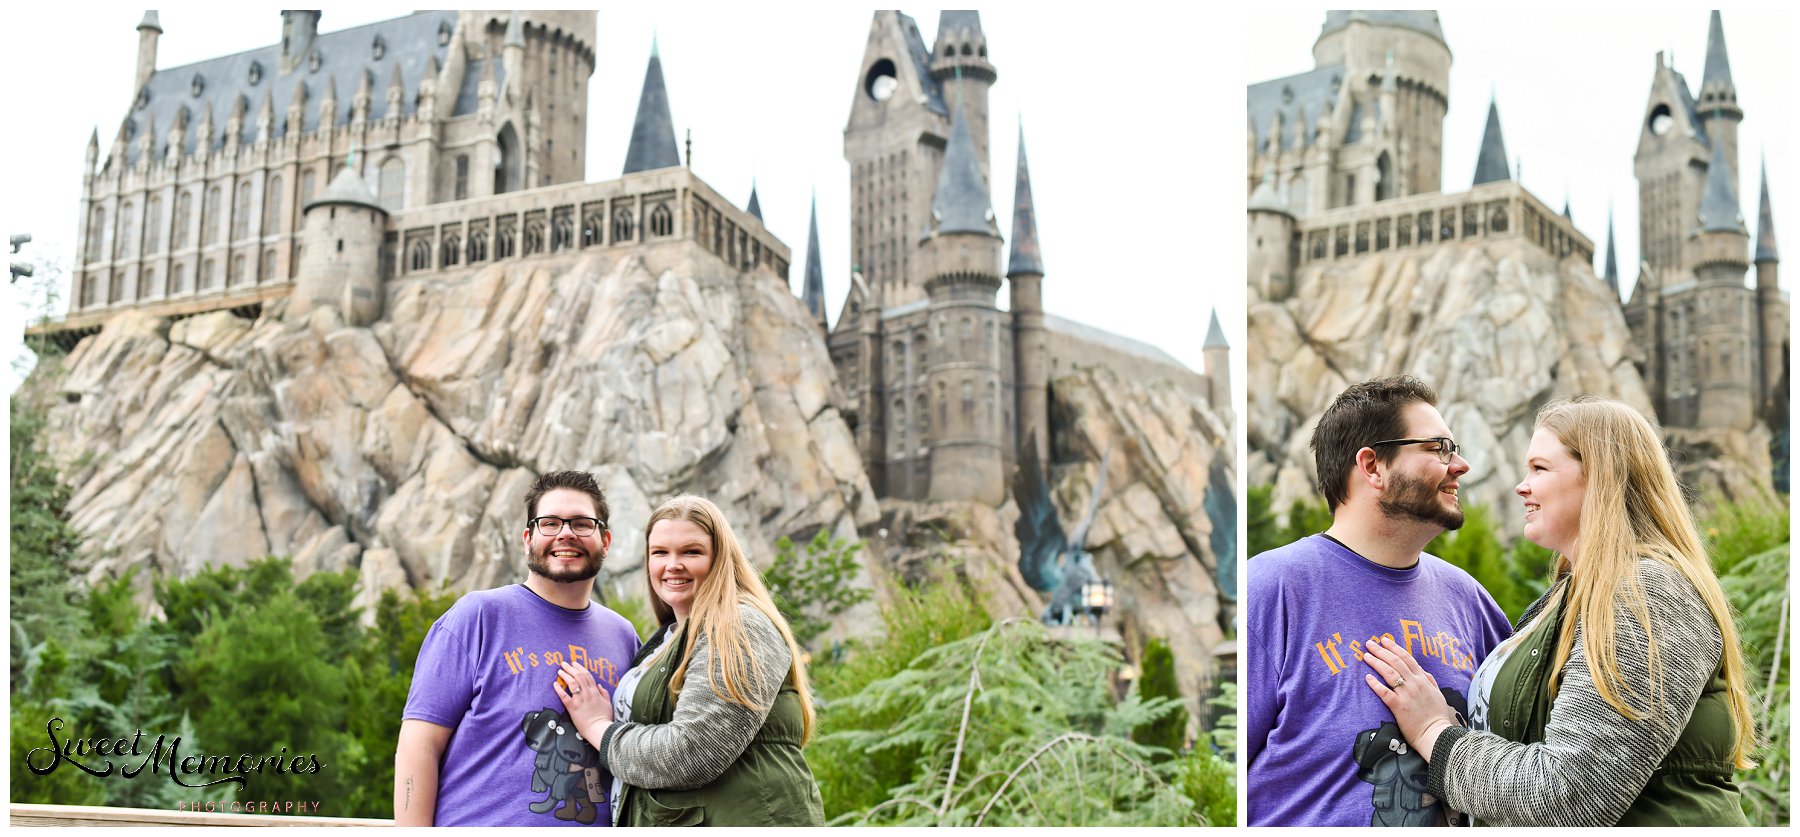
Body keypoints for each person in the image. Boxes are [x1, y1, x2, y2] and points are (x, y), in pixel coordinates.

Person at [1360, 397, 1755, 826]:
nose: (1521, 486)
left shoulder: (1647, 591)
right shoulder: (1564, 600)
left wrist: (1434, 733)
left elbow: (1571, 795)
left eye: (1540, 469)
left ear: (1601, 477)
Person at [1245, 375, 1513, 827]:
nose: (1461, 465)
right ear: (1372, 466)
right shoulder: (1273, 590)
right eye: (1438, 448)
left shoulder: (1471, 601)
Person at [552, 494, 825, 826]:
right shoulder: (666, 641)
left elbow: (694, 752)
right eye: (660, 553)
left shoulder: (738, 625)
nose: (673, 564)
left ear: (720, 559)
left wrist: (598, 727)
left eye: (691, 552)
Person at [394, 470, 642, 826]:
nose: (566, 533)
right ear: (528, 539)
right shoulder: (478, 617)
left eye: (582, 524)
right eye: (550, 523)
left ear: (605, 540)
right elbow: (419, 745)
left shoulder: (623, 635)